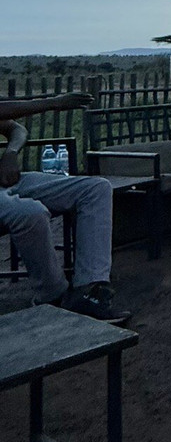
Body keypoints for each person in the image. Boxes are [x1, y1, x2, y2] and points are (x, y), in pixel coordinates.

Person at [0, 93, 131, 323]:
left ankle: (89, 289)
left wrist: (11, 152)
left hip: (5, 182)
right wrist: (54, 103)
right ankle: (52, 296)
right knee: (31, 212)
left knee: (96, 189)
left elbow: (16, 129)